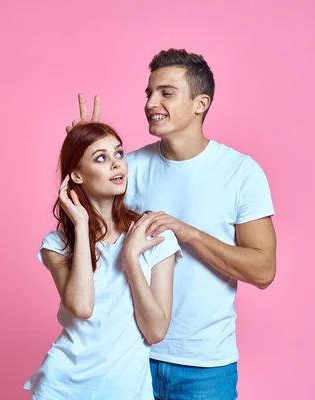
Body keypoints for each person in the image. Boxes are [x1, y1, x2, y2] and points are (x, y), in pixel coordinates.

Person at [68, 49, 277, 400]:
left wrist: (189, 233)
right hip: (128, 355)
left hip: (205, 366)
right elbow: (80, 231)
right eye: (149, 92)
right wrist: (81, 152)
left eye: (166, 92)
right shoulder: (126, 169)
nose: (151, 102)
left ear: (201, 103)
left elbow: (263, 270)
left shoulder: (241, 172)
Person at [24, 122, 183, 399]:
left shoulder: (155, 235)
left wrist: (131, 258)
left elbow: (156, 331)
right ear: (77, 174)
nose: (116, 164)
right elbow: (83, 307)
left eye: (119, 154)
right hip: (62, 389)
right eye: (101, 158)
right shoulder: (58, 245)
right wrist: (82, 226)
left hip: (127, 391)